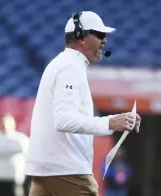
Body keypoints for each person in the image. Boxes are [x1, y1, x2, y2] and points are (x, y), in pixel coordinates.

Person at [24, 11, 142, 196]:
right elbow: (63, 120)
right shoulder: (71, 67)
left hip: (46, 171)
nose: (104, 41)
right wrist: (110, 122)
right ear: (81, 37)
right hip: (67, 171)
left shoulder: (60, 63)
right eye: (100, 35)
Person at [0, 114, 29, 196]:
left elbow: (22, 148)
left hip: (15, 178)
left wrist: (0, 149)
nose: (5, 126)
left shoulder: (20, 138)